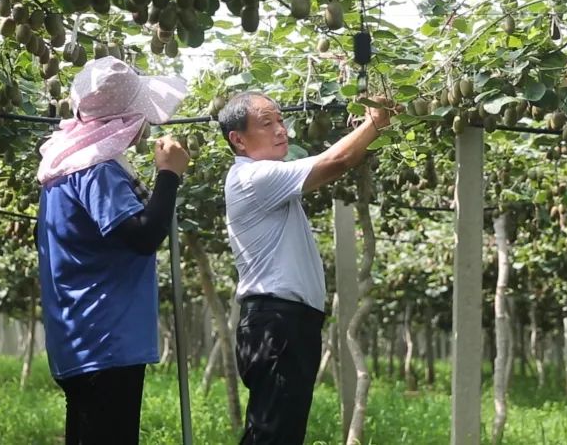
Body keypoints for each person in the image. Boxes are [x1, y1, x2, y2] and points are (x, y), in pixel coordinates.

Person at [219, 92, 392, 444]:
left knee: (276, 432)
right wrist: (376, 120)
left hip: (286, 322)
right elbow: (338, 160)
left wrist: (369, 127)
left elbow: (342, 157)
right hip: (277, 322)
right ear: (237, 139)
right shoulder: (255, 178)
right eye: (267, 123)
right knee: (274, 435)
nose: (281, 130)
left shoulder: (267, 180)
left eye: (280, 120)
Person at [35, 57, 190, 445]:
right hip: (105, 337)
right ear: (127, 119)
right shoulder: (96, 170)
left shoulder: (65, 165)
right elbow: (142, 236)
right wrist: (169, 174)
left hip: (85, 334)